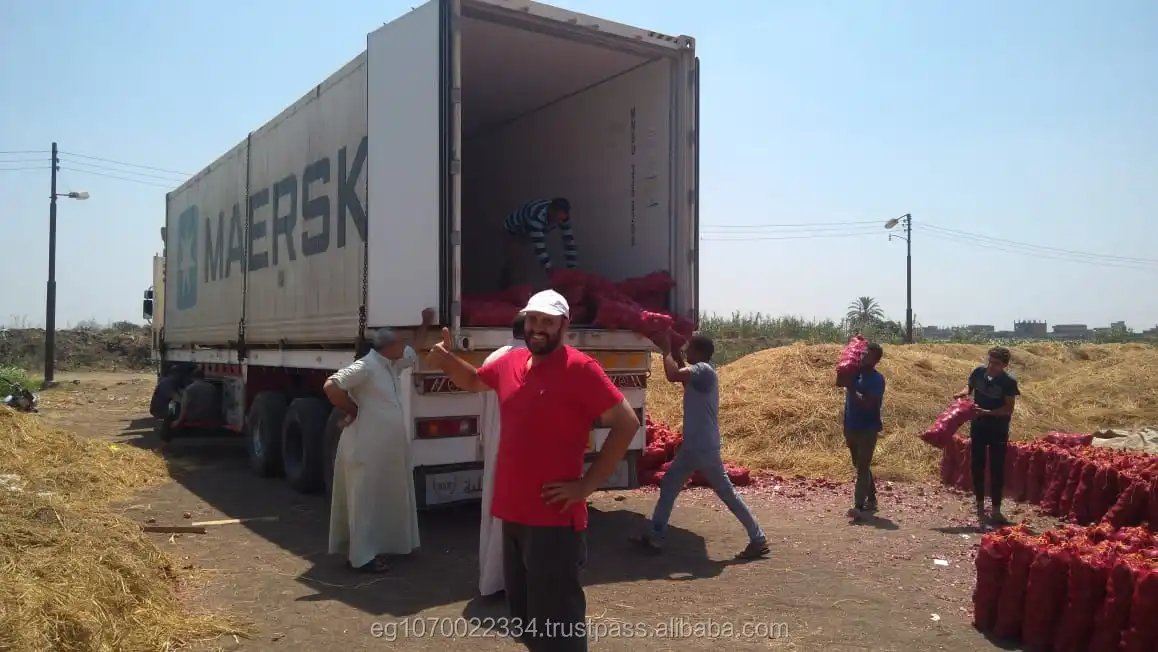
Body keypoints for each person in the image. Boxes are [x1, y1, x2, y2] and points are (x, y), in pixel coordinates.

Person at [429, 289, 639, 651]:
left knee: (559, 627)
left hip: (554, 520)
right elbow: (475, 380)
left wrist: (585, 486)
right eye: (533, 319)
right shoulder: (510, 363)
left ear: (564, 325)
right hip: (512, 514)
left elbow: (626, 423)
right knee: (525, 619)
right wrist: (446, 359)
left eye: (547, 321)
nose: (538, 328)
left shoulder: (580, 369)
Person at [633, 331, 768, 559]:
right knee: (670, 484)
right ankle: (656, 535)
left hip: (702, 447)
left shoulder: (704, 370)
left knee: (726, 493)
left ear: (700, 352)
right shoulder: (700, 375)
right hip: (695, 447)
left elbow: (673, 375)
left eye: (690, 348)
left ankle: (758, 538)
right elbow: (682, 374)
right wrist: (675, 352)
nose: (686, 351)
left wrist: (666, 349)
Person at [323, 308, 434, 573]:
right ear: (390, 347)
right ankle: (360, 558)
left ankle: (376, 549)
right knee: (365, 500)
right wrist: (353, 410)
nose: (405, 348)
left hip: (384, 449)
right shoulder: (367, 366)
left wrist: (426, 323)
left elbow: (416, 347)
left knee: (380, 498)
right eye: (401, 344)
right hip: (366, 447)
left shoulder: (391, 364)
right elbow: (331, 386)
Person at [478, 315, 527, 597]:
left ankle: (494, 578)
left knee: (495, 508)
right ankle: (515, 579)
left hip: (496, 441)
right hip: (519, 449)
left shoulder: (494, 358)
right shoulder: (531, 361)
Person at [953, 346, 1020, 526]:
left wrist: (987, 411)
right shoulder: (978, 372)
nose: (991, 366)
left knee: (996, 468)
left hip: (997, 429)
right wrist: (964, 393)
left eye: (996, 364)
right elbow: (970, 385)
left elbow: (1008, 409)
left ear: (1004, 365)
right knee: (977, 466)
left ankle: (996, 508)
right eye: (990, 361)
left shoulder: (1008, 382)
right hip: (979, 427)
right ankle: (980, 505)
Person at [844, 342, 885, 517]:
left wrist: (851, 387)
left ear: (875, 360)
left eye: (868, 353)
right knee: (859, 464)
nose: (863, 354)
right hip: (851, 425)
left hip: (868, 427)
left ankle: (858, 506)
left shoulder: (877, 379)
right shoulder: (855, 373)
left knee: (862, 467)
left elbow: (867, 404)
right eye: (863, 351)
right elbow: (839, 381)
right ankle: (872, 499)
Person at [499, 198, 577, 288]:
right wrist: (551, 269)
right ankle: (506, 291)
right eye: (557, 219)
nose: (560, 222)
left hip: (527, 230)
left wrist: (572, 269)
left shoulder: (563, 217)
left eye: (562, 219)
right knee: (516, 264)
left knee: (526, 263)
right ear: (551, 212)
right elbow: (539, 248)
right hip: (512, 231)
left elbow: (569, 242)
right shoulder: (536, 216)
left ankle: (516, 288)